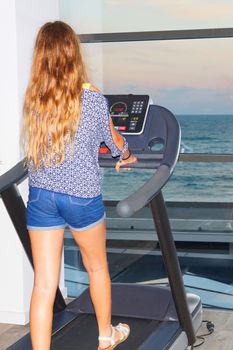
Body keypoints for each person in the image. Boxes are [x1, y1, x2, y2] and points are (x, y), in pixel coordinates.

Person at [22, 21, 137, 350]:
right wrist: (126, 155)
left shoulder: (35, 100)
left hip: (42, 196)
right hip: (82, 197)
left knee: (44, 284)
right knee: (97, 266)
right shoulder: (92, 99)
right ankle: (106, 336)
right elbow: (115, 144)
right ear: (74, 55)